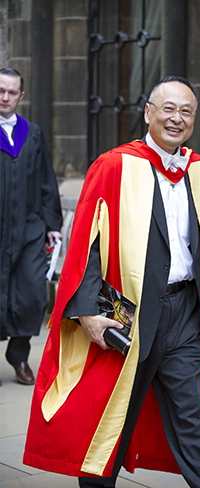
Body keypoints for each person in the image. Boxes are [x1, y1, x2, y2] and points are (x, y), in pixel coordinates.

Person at [23, 76, 200, 487]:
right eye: (169, 109)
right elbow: (86, 242)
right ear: (148, 112)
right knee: (112, 419)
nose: (177, 119)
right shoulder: (115, 165)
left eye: (186, 111)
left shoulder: (199, 170)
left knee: (195, 419)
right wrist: (87, 311)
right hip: (131, 316)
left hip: (185, 314)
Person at [0, 67, 62, 386]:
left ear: (21, 96)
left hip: (28, 229)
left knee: (32, 293)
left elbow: (46, 181)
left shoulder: (32, 133)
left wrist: (52, 223)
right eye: (1, 90)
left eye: (12, 92)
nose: (5, 97)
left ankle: (19, 355)